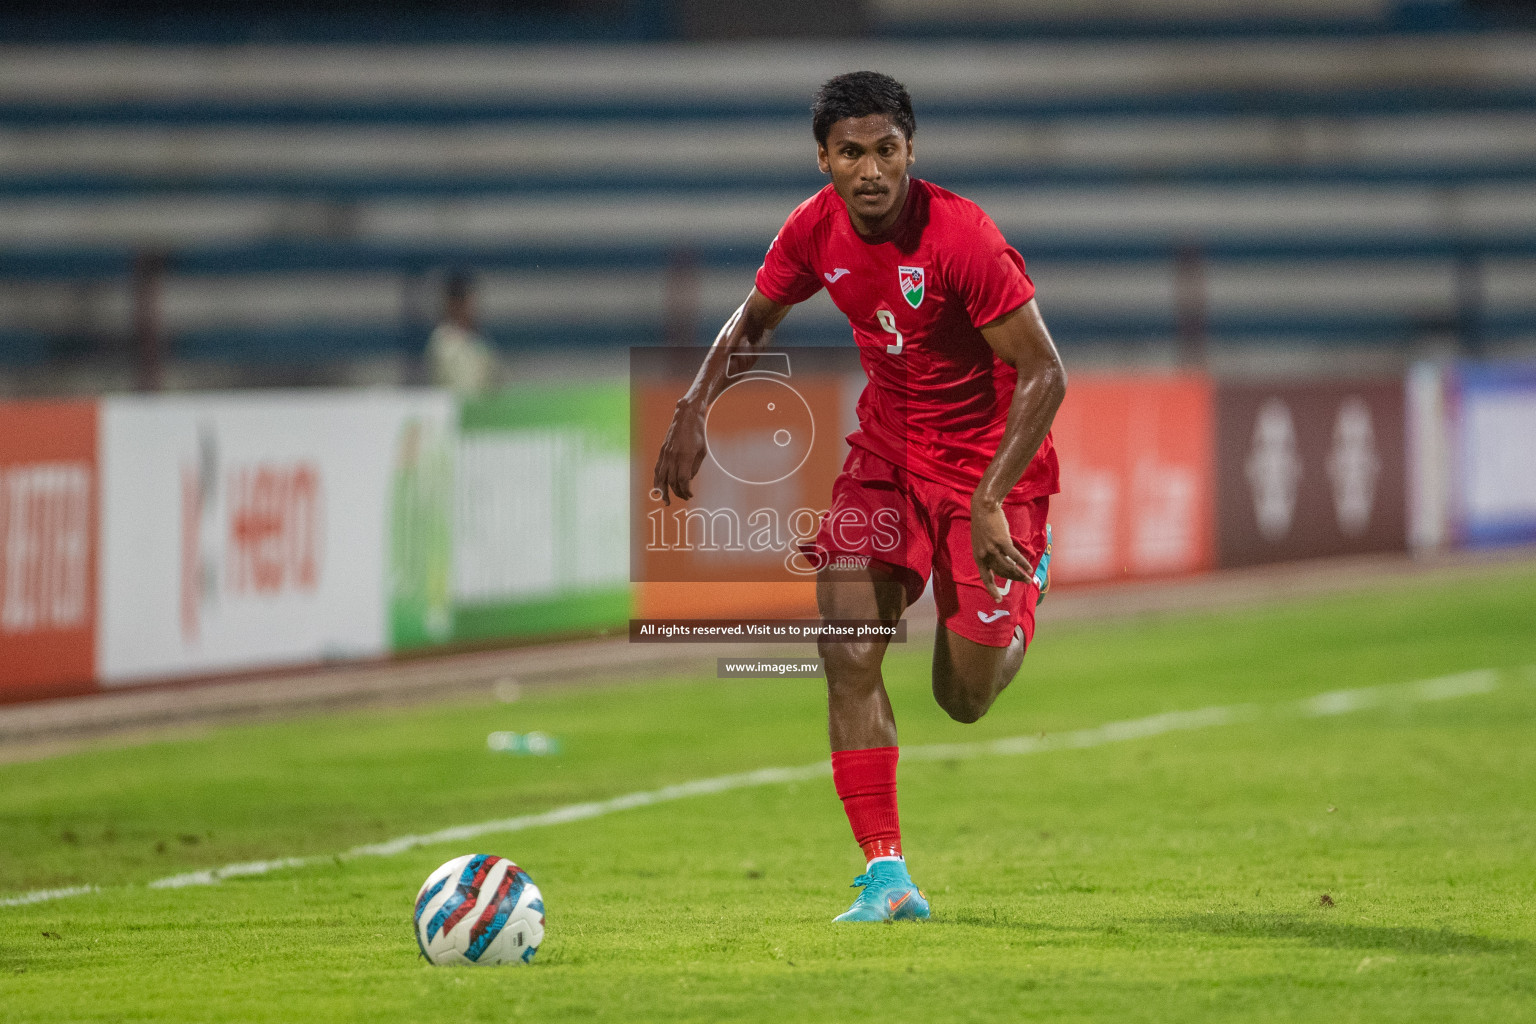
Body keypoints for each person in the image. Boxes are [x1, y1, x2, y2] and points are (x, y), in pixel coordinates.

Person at [652, 71, 1066, 922]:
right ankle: (887, 876)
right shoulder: (812, 229)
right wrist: (694, 408)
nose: (870, 169)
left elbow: (1045, 371)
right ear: (823, 159)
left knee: (965, 698)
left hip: (988, 468)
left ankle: (1022, 596)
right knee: (845, 647)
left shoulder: (964, 240)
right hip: (886, 453)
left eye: (886, 150)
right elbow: (753, 319)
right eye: (851, 153)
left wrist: (989, 499)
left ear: (911, 151)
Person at [426, 271, 499, 395]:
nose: (473, 308)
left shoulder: (478, 341)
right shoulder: (444, 342)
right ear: (454, 304)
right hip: (456, 409)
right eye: (469, 301)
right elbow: (464, 388)